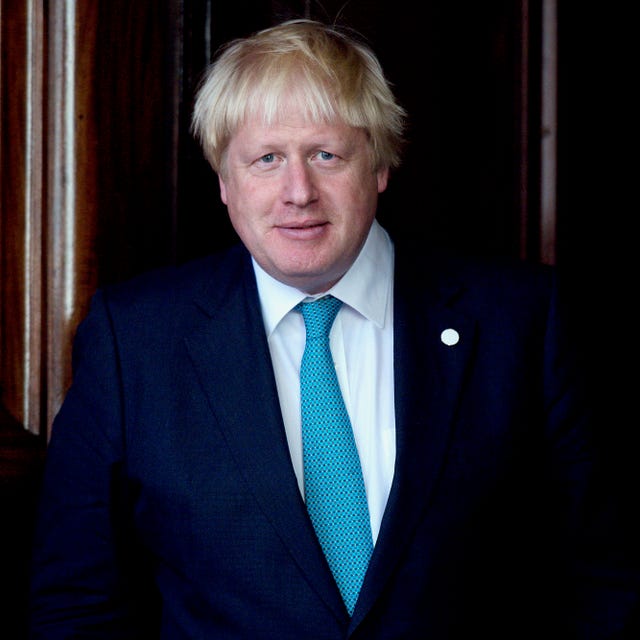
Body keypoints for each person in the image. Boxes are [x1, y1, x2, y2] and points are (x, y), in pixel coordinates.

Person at [29, 18, 638, 639]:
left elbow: (602, 581)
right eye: (266, 159)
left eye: (326, 154)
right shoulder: (134, 341)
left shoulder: (520, 321)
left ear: (378, 165)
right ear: (224, 181)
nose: (299, 192)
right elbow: (76, 604)